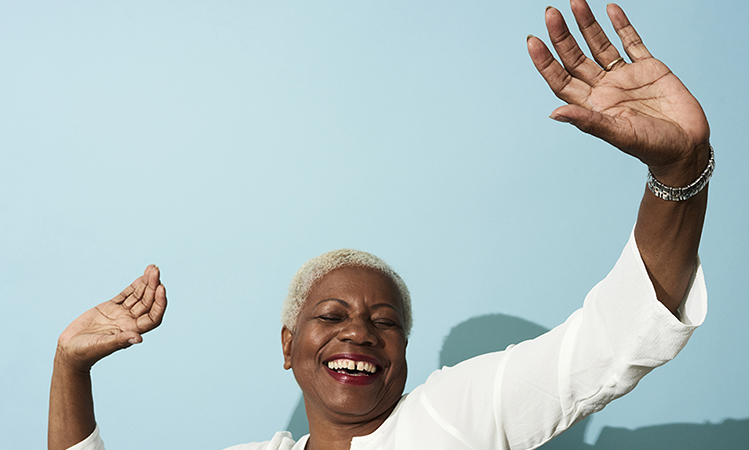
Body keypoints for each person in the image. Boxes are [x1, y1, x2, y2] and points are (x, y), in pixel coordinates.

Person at [48, 1, 711, 449]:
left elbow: (615, 336)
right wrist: (70, 369)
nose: (359, 332)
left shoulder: (451, 418)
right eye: (331, 316)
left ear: (404, 355)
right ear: (287, 347)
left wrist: (680, 172)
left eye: (385, 321)